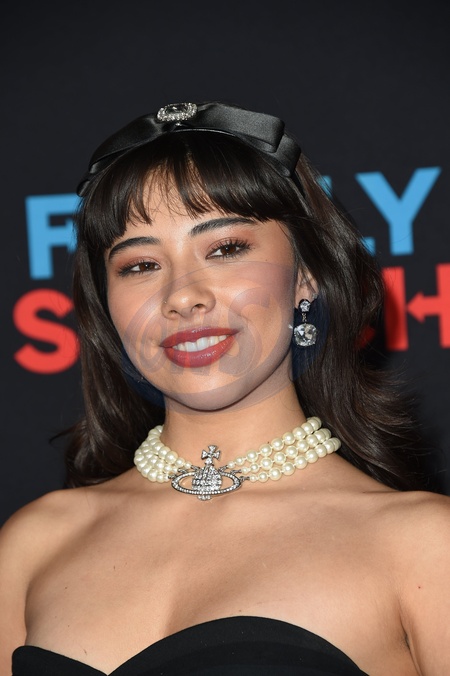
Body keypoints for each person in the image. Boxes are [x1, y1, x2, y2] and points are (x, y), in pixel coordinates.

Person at [1, 101, 449, 676]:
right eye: (139, 265)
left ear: (307, 276)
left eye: (225, 249)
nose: (182, 296)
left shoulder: (421, 545)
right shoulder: (35, 543)